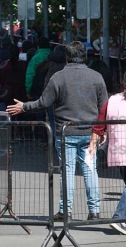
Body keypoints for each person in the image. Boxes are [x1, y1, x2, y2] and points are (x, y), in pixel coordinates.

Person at [7, 41, 108, 221]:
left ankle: (65, 211)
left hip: (66, 132)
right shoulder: (97, 77)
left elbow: (43, 103)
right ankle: (94, 212)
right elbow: (103, 107)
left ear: (67, 57)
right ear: (85, 56)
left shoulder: (58, 77)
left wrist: (24, 107)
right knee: (90, 170)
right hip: (90, 134)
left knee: (66, 171)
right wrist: (102, 131)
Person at [90, 69, 126, 235]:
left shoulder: (112, 100)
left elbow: (100, 121)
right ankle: (119, 217)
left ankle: (122, 219)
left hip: (119, 150)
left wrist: (94, 139)